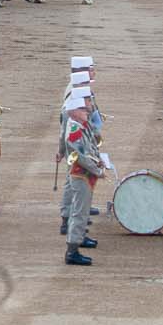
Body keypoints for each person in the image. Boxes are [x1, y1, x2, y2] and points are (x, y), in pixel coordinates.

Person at [61, 92, 105, 265]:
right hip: (81, 174)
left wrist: (98, 160)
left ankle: (76, 244)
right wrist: (97, 169)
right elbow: (80, 155)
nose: (87, 110)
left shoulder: (80, 126)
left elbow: (89, 150)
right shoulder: (74, 129)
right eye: (82, 109)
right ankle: (72, 250)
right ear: (73, 112)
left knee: (81, 211)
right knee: (79, 212)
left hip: (84, 174)